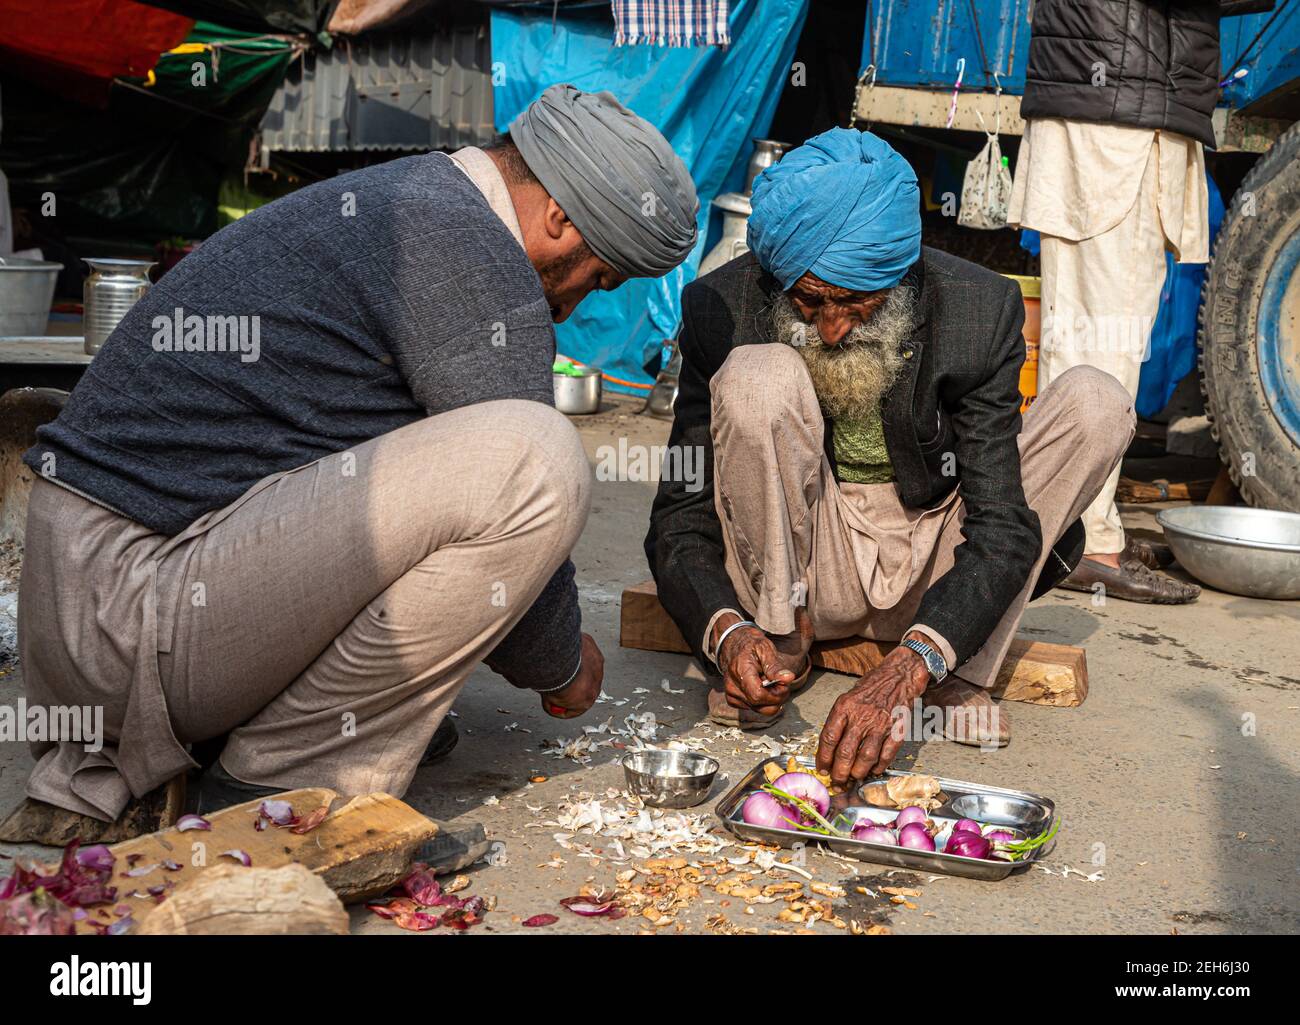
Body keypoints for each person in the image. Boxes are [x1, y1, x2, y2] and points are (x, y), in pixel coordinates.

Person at [3, 83, 699, 843]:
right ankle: (278, 785)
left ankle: (270, 732)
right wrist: (565, 666)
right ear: (560, 217)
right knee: (538, 458)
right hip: (128, 617)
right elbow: (521, 572)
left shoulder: (411, 198)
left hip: (87, 613)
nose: (572, 305)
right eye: (596, 276)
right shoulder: (469, 252)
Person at [646, 128, 1133, 787]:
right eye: (810, 298)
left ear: (902, 271)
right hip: (811, 559)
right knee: (759, 376)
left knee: (1097, 401)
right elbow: (681, 513)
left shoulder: (980, 309)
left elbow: (998, 522)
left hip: (936, 552)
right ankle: (780, 640)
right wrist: (728, 631)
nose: (832, 326)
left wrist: (904, 672)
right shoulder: (721, 306)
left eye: (856, 300)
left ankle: (953, 664)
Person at [1008, 0, 1271, 602]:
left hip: (1127, 103)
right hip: (1114, 113)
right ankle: (1083, 543)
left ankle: (1080, 531)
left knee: (1104, 339)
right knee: (1099, 344)